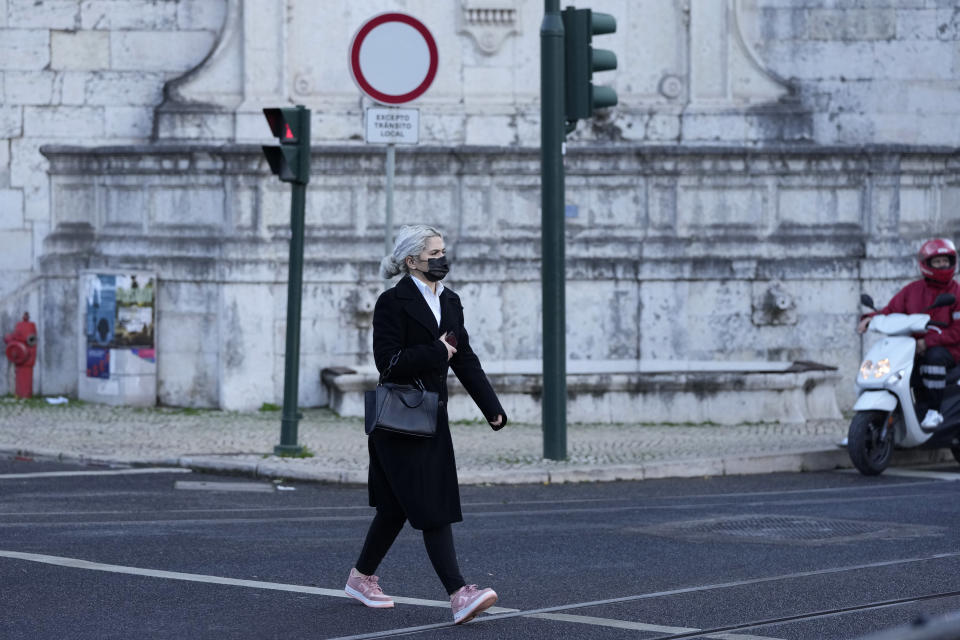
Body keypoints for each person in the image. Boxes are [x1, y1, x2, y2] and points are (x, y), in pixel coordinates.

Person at [344, 224, 507, 625]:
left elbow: (464, 358)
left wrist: (491, 408)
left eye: (443, 251)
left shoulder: (450, 301)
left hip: (433, 416)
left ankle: (361, 578)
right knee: (434, 503)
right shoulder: (392, 302)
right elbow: (389, 363)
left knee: (395, 508)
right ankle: (459, 593)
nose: (441, 258)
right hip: (399, 420)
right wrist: (436, 350)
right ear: (411, 260)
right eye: (434, 253)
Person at [857, 238, 960, 429]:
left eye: (945, 261)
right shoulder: (912, 291)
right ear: (926, 264)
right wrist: (870, 318)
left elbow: (957, 331)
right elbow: (890, 310)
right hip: (912, 348)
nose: (942, 265)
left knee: (934, 357)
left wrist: (928, 343)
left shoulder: (957, 293)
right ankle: (872, 421)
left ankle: (934, 411)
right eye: (937, 262)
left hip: (949, 351)